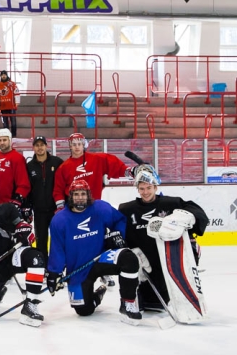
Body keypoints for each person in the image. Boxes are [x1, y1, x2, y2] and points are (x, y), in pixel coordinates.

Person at [47, 180, 142, 325]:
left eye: (83, 194)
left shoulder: (100, 208)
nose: (80, 197)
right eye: (76, 194)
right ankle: (98, 294)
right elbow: (57, 250)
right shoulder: (59, 220)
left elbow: (120, 220)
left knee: (129, 259)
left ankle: (127, 303)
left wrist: (117, 233)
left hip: (102, 258)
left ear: (88, 195)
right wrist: (54, 273)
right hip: (80, 267)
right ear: (70, 196)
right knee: (84, 311)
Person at [118, 165, 208, 310]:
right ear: (137, 189)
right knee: (147, 304)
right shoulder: (127, 209)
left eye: (149, 188)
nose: (145, 192)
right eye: (142, 189)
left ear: (155, 187)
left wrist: (189, 217)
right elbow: (118, 233)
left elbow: (196, 212)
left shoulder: (171, 203)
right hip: (144, 261)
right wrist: (131, 254)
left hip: (167, 260)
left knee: (161, 302)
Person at [53, 133, 134, 211]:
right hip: (74, 208)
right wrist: (60, 206)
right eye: (74, 144)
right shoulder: (63, 167)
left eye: (79, 144)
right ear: (70, 146)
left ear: (83, 145)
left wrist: (129, 171)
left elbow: (114, 165)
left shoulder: (97, 159)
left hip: (94, 205)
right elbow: (58, 189)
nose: (77, 147)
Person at [25, 136, 63, 256]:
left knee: (57, 239)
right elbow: (27, 188)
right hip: (39, 210)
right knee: (41, 240)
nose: (40, 147)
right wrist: (28, 207)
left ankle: (56, 267)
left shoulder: (57, 162)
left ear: (46, 146)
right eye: (37, 145)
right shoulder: (29, 166)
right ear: (33, 148)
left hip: (56, 210)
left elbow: (64, 183)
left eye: (42, 145)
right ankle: (43, 267)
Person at [0, 129, 30, 211]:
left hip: (9, 204)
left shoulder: (18, 158)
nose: (2, 142)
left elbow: (23, 183)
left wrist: (17, 198)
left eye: (4, 140)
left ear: (10, 140)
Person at [0, 70, 20, 137]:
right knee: (5, 123)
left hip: (12, 106)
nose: (3, 76)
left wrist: (17, 102)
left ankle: (14, 136)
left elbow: (17, 93)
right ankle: (7, 136)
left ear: (7, 75)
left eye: (5, 74)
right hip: (3, 107)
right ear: (0, 76)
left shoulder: (12, 84)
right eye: (2, 75)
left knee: (13, 123)